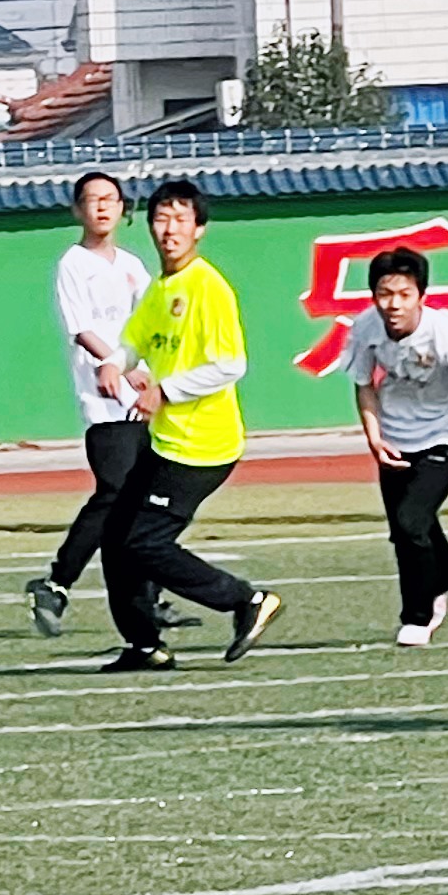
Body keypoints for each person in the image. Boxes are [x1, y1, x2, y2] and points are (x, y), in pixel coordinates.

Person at [98, 178, 284, 673]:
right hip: (166, 443)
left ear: (199, 229)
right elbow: (133, 340)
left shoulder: (208, 287)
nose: (169, 229)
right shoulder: (162, 287)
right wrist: (114, 364)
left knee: (144, 542)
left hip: (202, 447)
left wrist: (165, 391)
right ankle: (145, 645)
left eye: (181, 219)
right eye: (161, 219)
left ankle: (246, 600)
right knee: (116, 538)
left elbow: (231, 364)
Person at [338, 244, 448, 649]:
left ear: (421, 296)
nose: (393, 304)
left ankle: (418, 615)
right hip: (395, 434)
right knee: (404, 529)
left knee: (413, 520)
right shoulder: (366, 327)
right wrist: (374, 437)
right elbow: (363, 385)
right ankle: (445, 572)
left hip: (447, 433)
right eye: (384, 294)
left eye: (403, 294)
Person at [23, 170, 151, 637]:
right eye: (92, 200)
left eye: (111, 199)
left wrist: (144, 371)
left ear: (122, 208)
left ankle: (147, 597)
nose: (102, 207)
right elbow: (80, 328)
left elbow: (149, 327)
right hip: (103, 398)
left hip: (141, 397)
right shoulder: (73, 264)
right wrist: (119, 363)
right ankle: (57, 582)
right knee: (114, 492)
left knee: (141, 499)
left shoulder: (135, 266)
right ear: (77, 210)